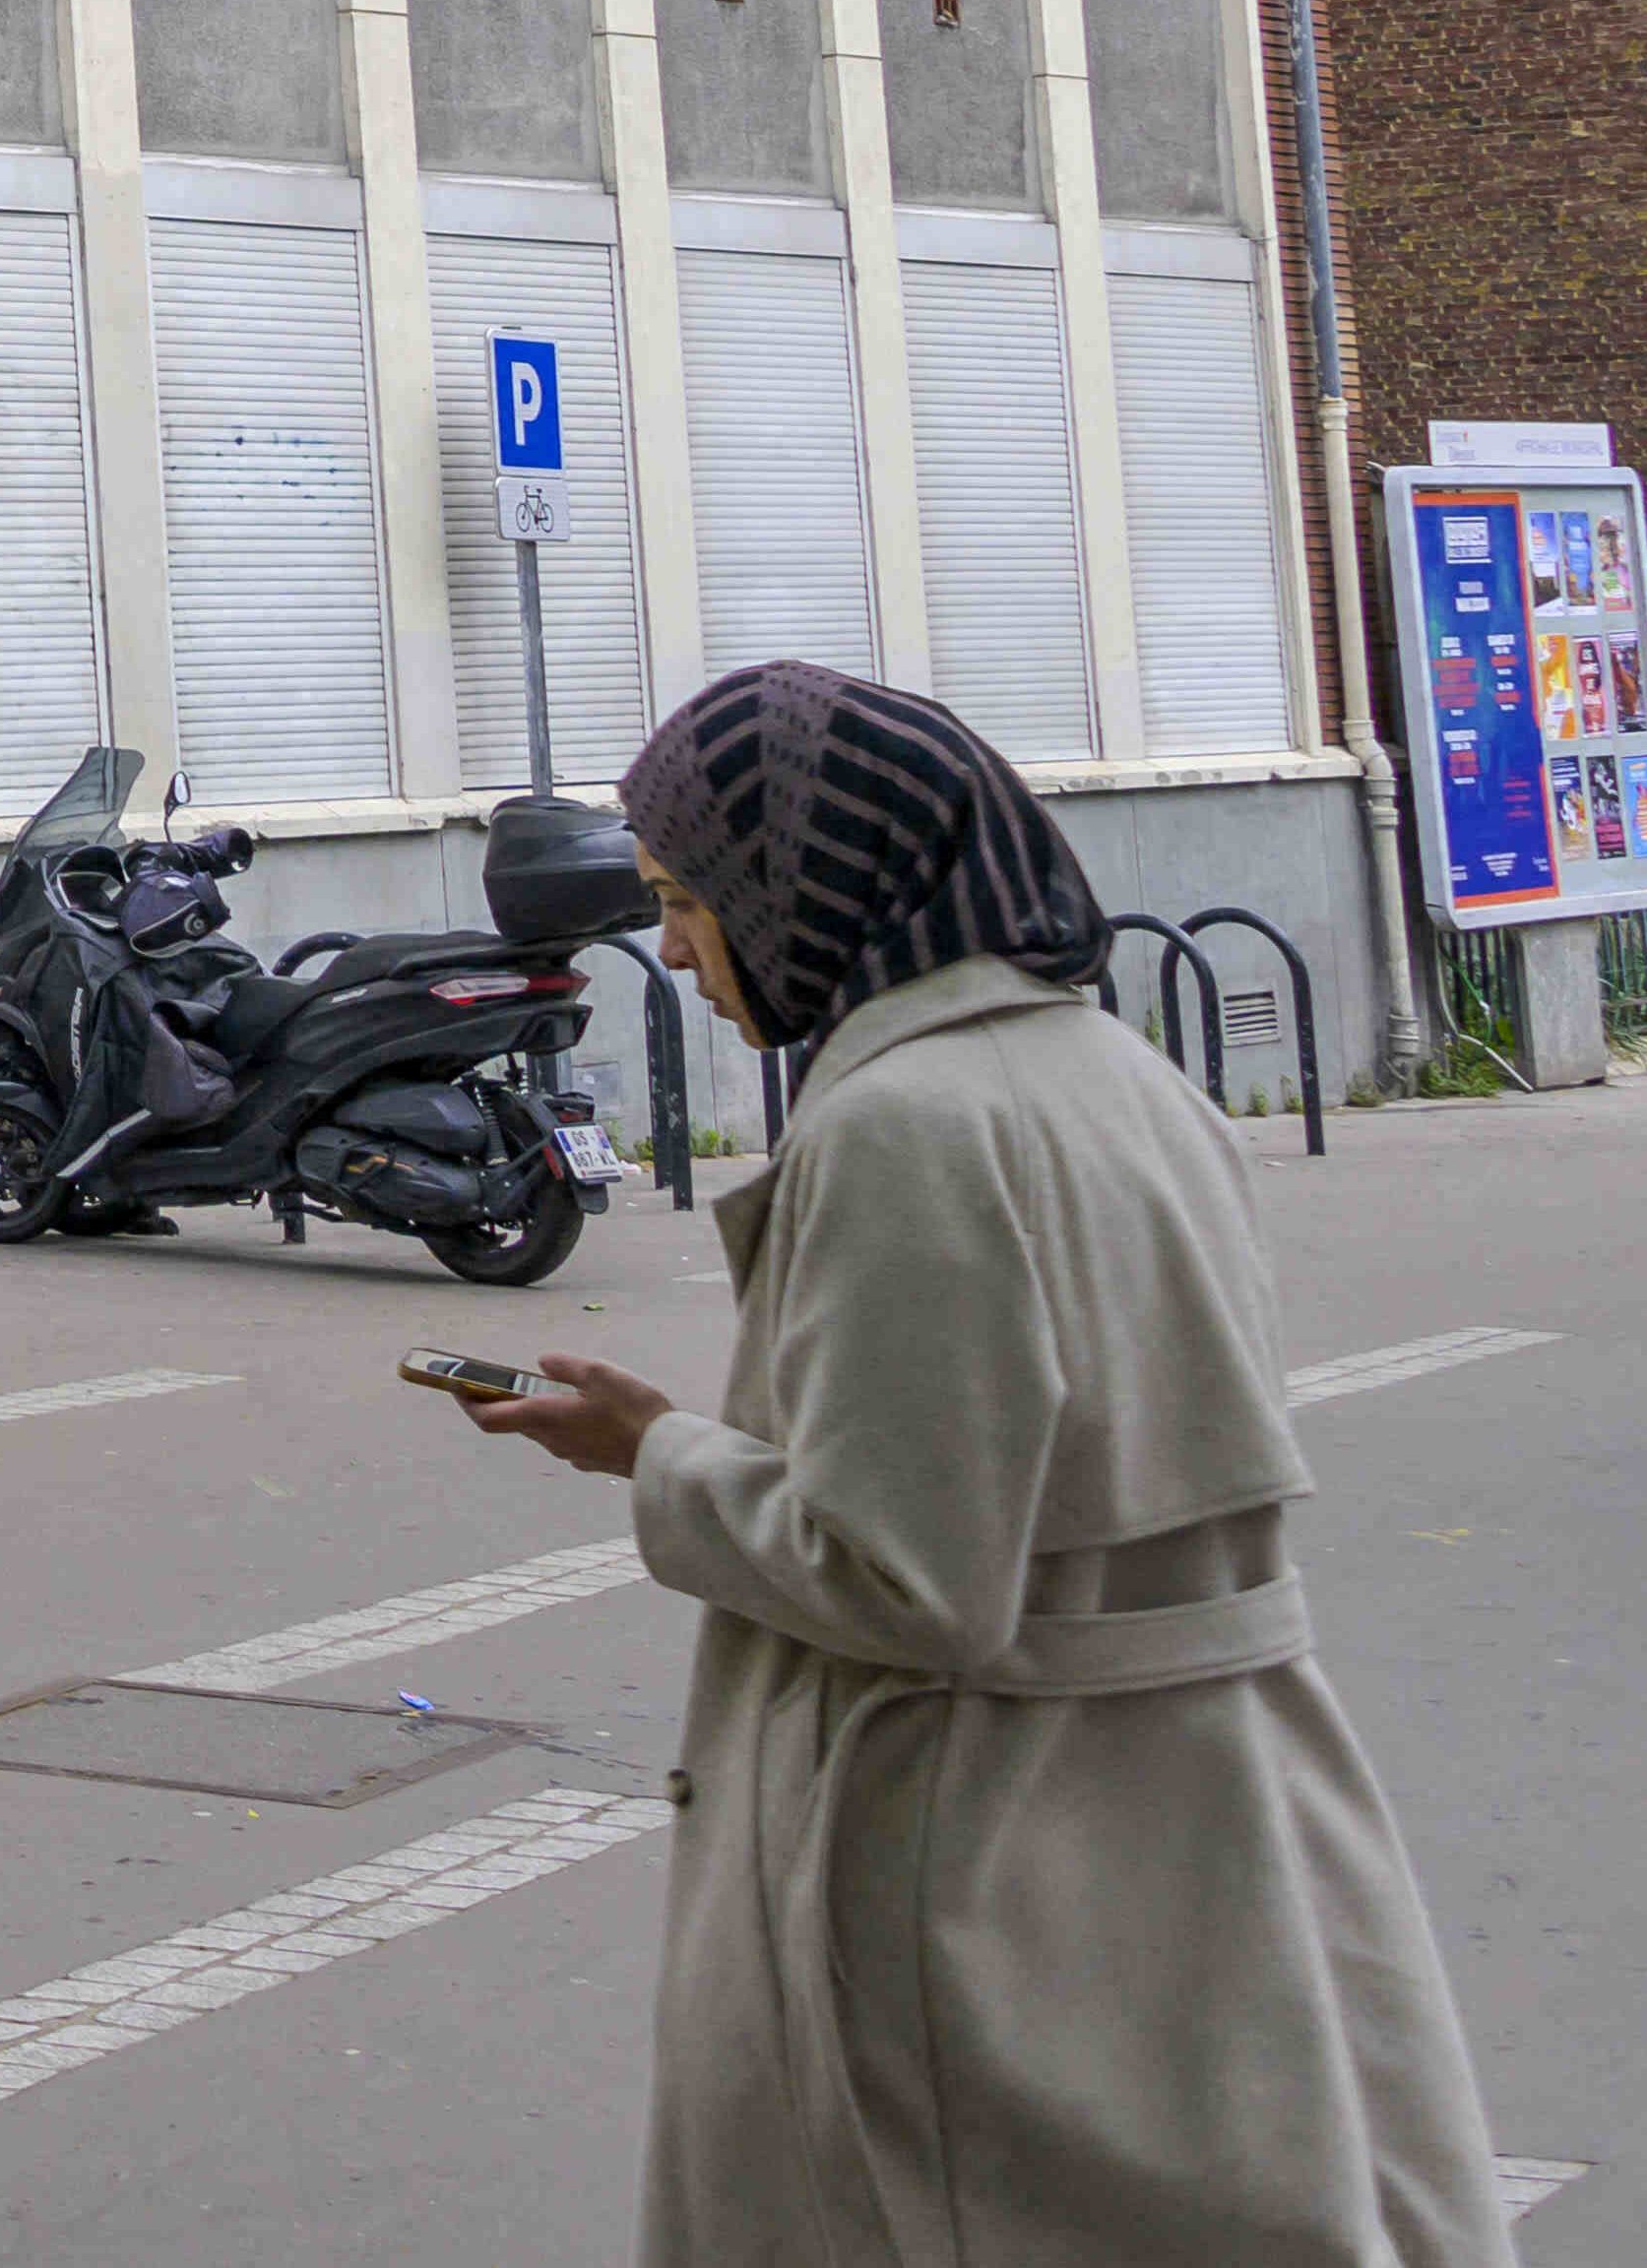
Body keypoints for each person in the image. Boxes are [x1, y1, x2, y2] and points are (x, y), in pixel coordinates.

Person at [450, 661, 1511, 2267]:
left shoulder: (906, 1123)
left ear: (806, 889)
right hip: (1210, 1812)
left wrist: (651, 1452)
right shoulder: (1125, 1078)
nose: (672, 949)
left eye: (684, 899)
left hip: (992, 1856)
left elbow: (908, 1577)